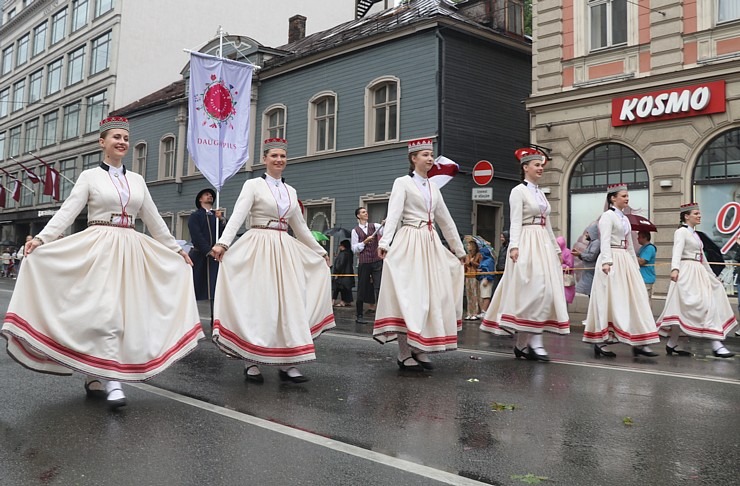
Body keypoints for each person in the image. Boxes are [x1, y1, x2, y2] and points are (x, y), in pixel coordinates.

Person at [1, 116, 204, 409]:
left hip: (130, 248)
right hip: (98, 248)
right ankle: (111, 379)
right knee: (104, 314)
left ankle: (98, 375)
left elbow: (154, 219)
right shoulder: (89, 177)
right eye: (115, 137)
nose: (122, 142)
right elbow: (68, 211)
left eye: (124, 137)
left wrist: (175, 249)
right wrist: (42, 239)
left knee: (122, 315)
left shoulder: (137, 181)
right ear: (102, 143)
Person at [210, 138, 334, 384]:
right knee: (260, 302)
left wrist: (319, 251)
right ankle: (251, 360)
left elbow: (300, 227)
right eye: (274, 156)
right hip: (258, 245)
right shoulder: (253, 185)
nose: (279, 160)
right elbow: (238, 215)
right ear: (264, 159)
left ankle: (288, 363)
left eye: (283, 156)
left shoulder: (291, 191)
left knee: (289, 303)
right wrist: (224, 242)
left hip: (284, 247)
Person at [373, 138, 465, 371]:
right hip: (410, 241)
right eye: (425, 154)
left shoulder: (434, 187)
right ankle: (404, 353)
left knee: (432, 296)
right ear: (413, 158)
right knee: (410, 298)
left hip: (430, 243)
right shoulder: (402, 183)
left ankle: (419, 348)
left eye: (431, 154)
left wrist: (458, 249)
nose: (430, 158)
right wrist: (385, 242)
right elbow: (393, 214)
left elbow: (445, 220)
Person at [481, 149, 569, 362]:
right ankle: (524, 344)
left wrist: (556, 250)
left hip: (542, 244)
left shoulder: (540, 192)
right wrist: (514, 247)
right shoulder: (518, 191)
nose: (540, 168)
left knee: (545, 292)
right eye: (537, 165)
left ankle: (531, 343)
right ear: (525, 167)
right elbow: (515, 222)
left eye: (541, 165)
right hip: (527, 243)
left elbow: (546, 223)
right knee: (531, 292)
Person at [583, 183, 660, 357]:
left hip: (624, 258)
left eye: (627, 196)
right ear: (613, 198)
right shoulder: (607, 217)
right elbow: (605, 241)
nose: (627, 198)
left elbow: (630, 245)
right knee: (609, 299)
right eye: (623, 196)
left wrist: (633, 265)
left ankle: (640, 340)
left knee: (636, 298)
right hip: (611, 260)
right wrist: (606, 262)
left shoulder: (624, 218)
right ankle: (602, 341)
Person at [656, 203, 737, 357]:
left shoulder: (695, 235)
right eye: (695, 213)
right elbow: (677, 252)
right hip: (686, 273)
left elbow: (702, 258)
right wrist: (675, 269)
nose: (699, 216)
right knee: (698, 307)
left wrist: (713, 276)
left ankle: (672, 343)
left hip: (698, 271)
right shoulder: (681, 232)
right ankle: (716, 344)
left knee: (700, 306)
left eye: (699, 213)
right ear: (686, 216)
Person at [188, 188, 226, 325]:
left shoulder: (215, 217)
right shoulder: (195, 216)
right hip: (200, 257)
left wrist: (221, 220)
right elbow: (197, 236)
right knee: (195, 288)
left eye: (211, 195)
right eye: (206, 194)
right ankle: (190, 320)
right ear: (200, 199)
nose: (209, 196)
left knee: (215, 289)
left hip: (215, 257)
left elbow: (223, 234)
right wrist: (208, 251)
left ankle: (214, 319)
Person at [351, 207, 383, 324]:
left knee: (379, 287)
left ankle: (381, 316)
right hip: (364, 263)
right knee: (362, 289)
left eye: (366, 212)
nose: (366, 213)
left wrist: (386, 224)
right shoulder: (355, 231)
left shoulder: (375, 226)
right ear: (358, 216)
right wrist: (364, 242)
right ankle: (359, 315)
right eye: (363, 212)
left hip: (376, 261)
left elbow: (386, 232)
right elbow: (354, 249)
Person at [572, 223, 600, 296]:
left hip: (592, 273)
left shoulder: (596, 243)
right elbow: (587, 255)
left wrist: (580, 254)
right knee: (589, 292)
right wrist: (579, 254)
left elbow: (591, 256)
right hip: (588, 272)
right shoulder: (592, 243)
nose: (586, 235)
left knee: (592, 293)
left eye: (588, 233)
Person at [332, 239, 355, 307]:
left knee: (339, 288)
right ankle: (347, 301)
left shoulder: (343, 254)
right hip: (348, 274)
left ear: (343, 246)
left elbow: (340, 265)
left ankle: (342, 302)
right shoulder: (350, 253)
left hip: (342, 274)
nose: (339, 247)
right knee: (347, 288)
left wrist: (336, 273)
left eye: (340, 245)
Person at [464, 238, 482, 320]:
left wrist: (473, 262)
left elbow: (480, 265)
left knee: (475, 295)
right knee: (469, 295)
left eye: (469, 245)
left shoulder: (478, 255)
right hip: (468, 276)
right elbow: (466, 265)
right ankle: (469, 312)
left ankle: (475, 312)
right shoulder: (467, 256)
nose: (468, 247)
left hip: (475, 276)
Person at [636, 230, 656, 298]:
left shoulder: (649, 248)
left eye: (639, 237)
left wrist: (632, 257)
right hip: (642, 277)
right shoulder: (643, 248)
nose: (637, 239)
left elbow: (642, 261)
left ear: (645, 238)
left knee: (645, 300)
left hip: (646, 278)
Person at [477, 245, 495, 317]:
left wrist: (487, 279)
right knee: (483, 295)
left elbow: (490, 270)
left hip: (486, 279)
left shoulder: (490, 261)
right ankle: (483, 310)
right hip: (482, 278)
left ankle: (485, 311)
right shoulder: (483, 260)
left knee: (486, 295)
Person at [557, 236, 576, 304]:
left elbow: (570, 265)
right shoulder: (557, 252)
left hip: (565, 277)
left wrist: (561, 266)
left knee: (565, 295)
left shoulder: (567, 252)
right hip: (558, 277)